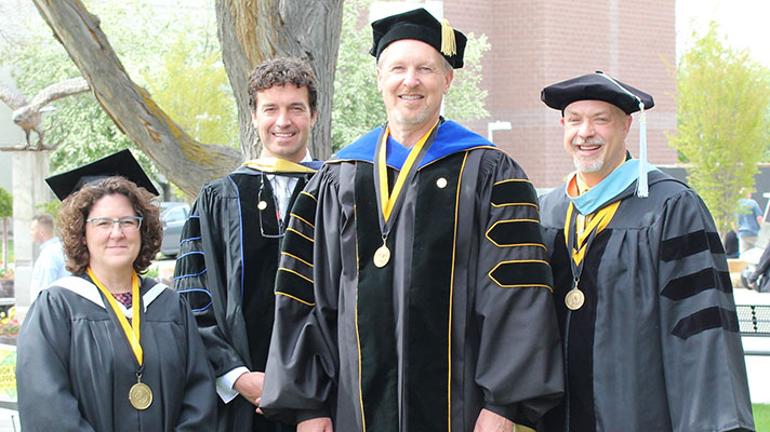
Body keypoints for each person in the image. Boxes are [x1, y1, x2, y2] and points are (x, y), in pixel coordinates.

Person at [261, 8, 563, 432]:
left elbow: (515, 292)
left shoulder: (490, 171)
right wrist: (309, 406)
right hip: (354, 408)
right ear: (380, 78)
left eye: (425, 69)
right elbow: (306, 294)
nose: (411, 81)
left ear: (447, 79)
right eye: (398, 68)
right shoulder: (339, 175)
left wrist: (504, 404)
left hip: (463, 410)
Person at [538, 72, 754, 431]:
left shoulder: (671, 207)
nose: (585, 132)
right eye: (575, 120)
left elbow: (700, 330)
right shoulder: (548, 212)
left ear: (626, 126)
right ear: (563, 126)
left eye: (600, 120)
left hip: (640, 415)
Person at [16, 149, 216, 431]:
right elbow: (47, 408)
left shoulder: (170, 306)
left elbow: (200, 396)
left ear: (142, 229)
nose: (117, 233)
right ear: (81, 233)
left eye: (127, 222)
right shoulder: (56, 307)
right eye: (103, 223)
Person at [173, 57, 322, 432]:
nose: (283, 121)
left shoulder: (341, 192)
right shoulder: (217, 199)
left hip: (326, 403)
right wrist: (237, 376)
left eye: (296, 109)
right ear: (254, 116)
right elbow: (193, 298)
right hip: (240, 404)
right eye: (270, 108)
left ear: (314, 115)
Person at [29, 213, 69, 299]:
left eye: (32, 229)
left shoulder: (49, 255)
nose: (30, 233)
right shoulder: (58, 249)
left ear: (42, 232)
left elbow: (45, 288)